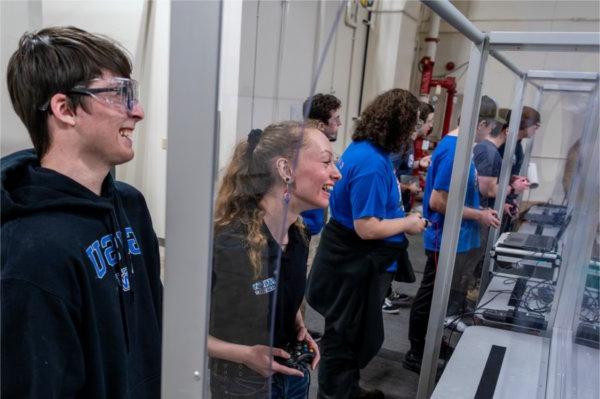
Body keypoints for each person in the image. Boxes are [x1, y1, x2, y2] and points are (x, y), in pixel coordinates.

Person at [1, 27, 162, 398]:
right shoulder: (30, 251)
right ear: (65, 109)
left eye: (132, 94)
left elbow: (153, 320)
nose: (137, 111)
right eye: (120, 94)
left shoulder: (130, 205)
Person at [307, 88, 427, 399]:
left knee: (352, 333)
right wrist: (409, 223)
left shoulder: (365, 151)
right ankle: (334, 394)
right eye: (412, 125)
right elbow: (366, 227)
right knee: (345, 337)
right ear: (396, 124)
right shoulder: (371, 162)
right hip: (356, 261)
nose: (415, 131)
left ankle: (347, 389)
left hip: (355, 260)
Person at [207, 121, 341, 398]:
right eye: (326, 162)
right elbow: (180, 328)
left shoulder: (298, 234)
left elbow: (272, 288)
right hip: (244, 384)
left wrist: (295, 324)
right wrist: (245, 354)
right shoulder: (231, 245)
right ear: (285, 169)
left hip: (293, 374)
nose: (336, 173)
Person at [403, 96, 502, 374]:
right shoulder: (454, 150)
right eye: (489, 127)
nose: (489, 133)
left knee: (439, 296)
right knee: (430, 295)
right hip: (444, 239)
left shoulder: (461, 148)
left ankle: (429, 344)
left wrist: (478, 209)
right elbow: (437, 201)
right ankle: (417, 351)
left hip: (455, 238)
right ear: (481, 123)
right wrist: (479, 214)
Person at [300, 93, 343, 237]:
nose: (340, 123)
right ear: (320, 125)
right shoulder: (302, 153)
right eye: (336, 119)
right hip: (301, 229)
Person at [497, 106, 541, 231]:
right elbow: (494, 177)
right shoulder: (504, 144)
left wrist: (512, 198)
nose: (536, 130)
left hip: (507, 200)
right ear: (526, 123)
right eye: (535, 125)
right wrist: (501, 202)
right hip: (497, 202)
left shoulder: (517, 145)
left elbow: (508, 175)